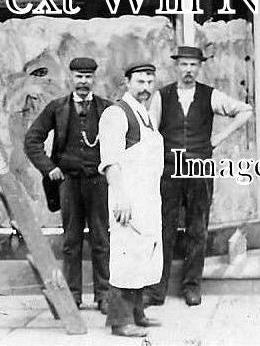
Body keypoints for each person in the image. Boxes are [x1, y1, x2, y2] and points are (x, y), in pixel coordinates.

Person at [145, 44, 253, 307]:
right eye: (184, 64)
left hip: (199, 170)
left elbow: (246, 111)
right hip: (169, 170)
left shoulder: (209, 95)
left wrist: (219, 138)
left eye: (193, 65)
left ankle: (192, 287)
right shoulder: (162, 96)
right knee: (164, 229)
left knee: (197, 229)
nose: (188, 70)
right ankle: (157, 290)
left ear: (200, 67)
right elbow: (149, 130)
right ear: (176, 66)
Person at [23, 56, 114, 313]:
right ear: (70, 78)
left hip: (98, 183)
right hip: (69, 183)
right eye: (78, 76)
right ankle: (73, 295)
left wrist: (112, 169)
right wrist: (49, 168)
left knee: (101, 239)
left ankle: (104, 295)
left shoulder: (108, 109)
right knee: (71, 241)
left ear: (94, 79)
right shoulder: (57, 108)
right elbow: (32, 140)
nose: (83, 82)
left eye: (87, 77)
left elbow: (124, 141)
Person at [99, 62, 164, 338]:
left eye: (150, 82)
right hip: (127, 199)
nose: (146, 88)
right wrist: (121, 197)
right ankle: (120, 321)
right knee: (125, 257)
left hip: (147, 198)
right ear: (127, 83)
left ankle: (138, 313)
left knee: (143, 253)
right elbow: (110, 162)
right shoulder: (117, 114)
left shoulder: (145, 115)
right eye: (140, 82)